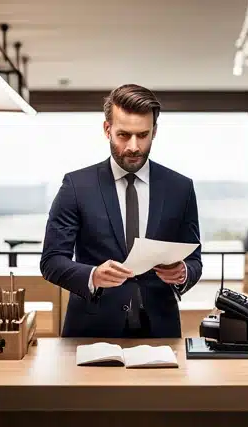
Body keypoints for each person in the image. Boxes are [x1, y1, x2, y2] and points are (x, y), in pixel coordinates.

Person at [40, 84, 202, 338]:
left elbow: (195, 260)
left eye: (143, 135)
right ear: (107, 130)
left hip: (161, 330)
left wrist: (183, 272)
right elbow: (51, 261)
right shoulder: (76, 186)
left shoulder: (180, 188)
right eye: (124, 135)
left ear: (154, 132)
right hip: (92, 329)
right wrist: (93, 275)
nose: (134, 146)